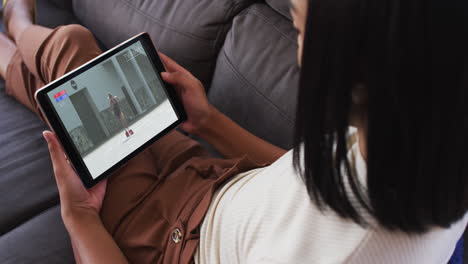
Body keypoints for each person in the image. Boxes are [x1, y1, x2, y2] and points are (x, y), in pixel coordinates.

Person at [0, 0, 467, 263]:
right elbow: (304, 179)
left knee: (70, 50)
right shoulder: (423, 143)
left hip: (169, 238)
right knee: (84, 76)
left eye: (299, 30)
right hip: (212, 180)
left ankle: (14, 27)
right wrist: (209, 122)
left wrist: (80, 217)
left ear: (351, 65)